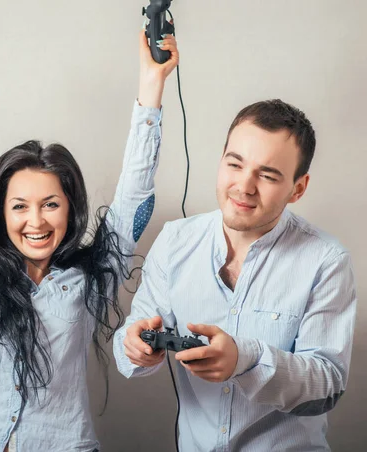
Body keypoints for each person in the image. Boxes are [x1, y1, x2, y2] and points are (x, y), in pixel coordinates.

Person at [0, 5, 179, 451]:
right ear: (0, 213)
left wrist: (152, 85)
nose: (36, 221)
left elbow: (134, 197)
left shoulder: (89, 280)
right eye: (19, 206)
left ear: (70, 209)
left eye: (50, 205)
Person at [114, 96, 357, 451]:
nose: (244, 186)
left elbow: (328, 385)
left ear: (298, 188)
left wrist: (245, 360)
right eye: (235, 164)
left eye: (268, 175)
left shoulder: (326, 260)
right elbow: (130, 341)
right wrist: (135, 345)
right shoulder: (174, 240)